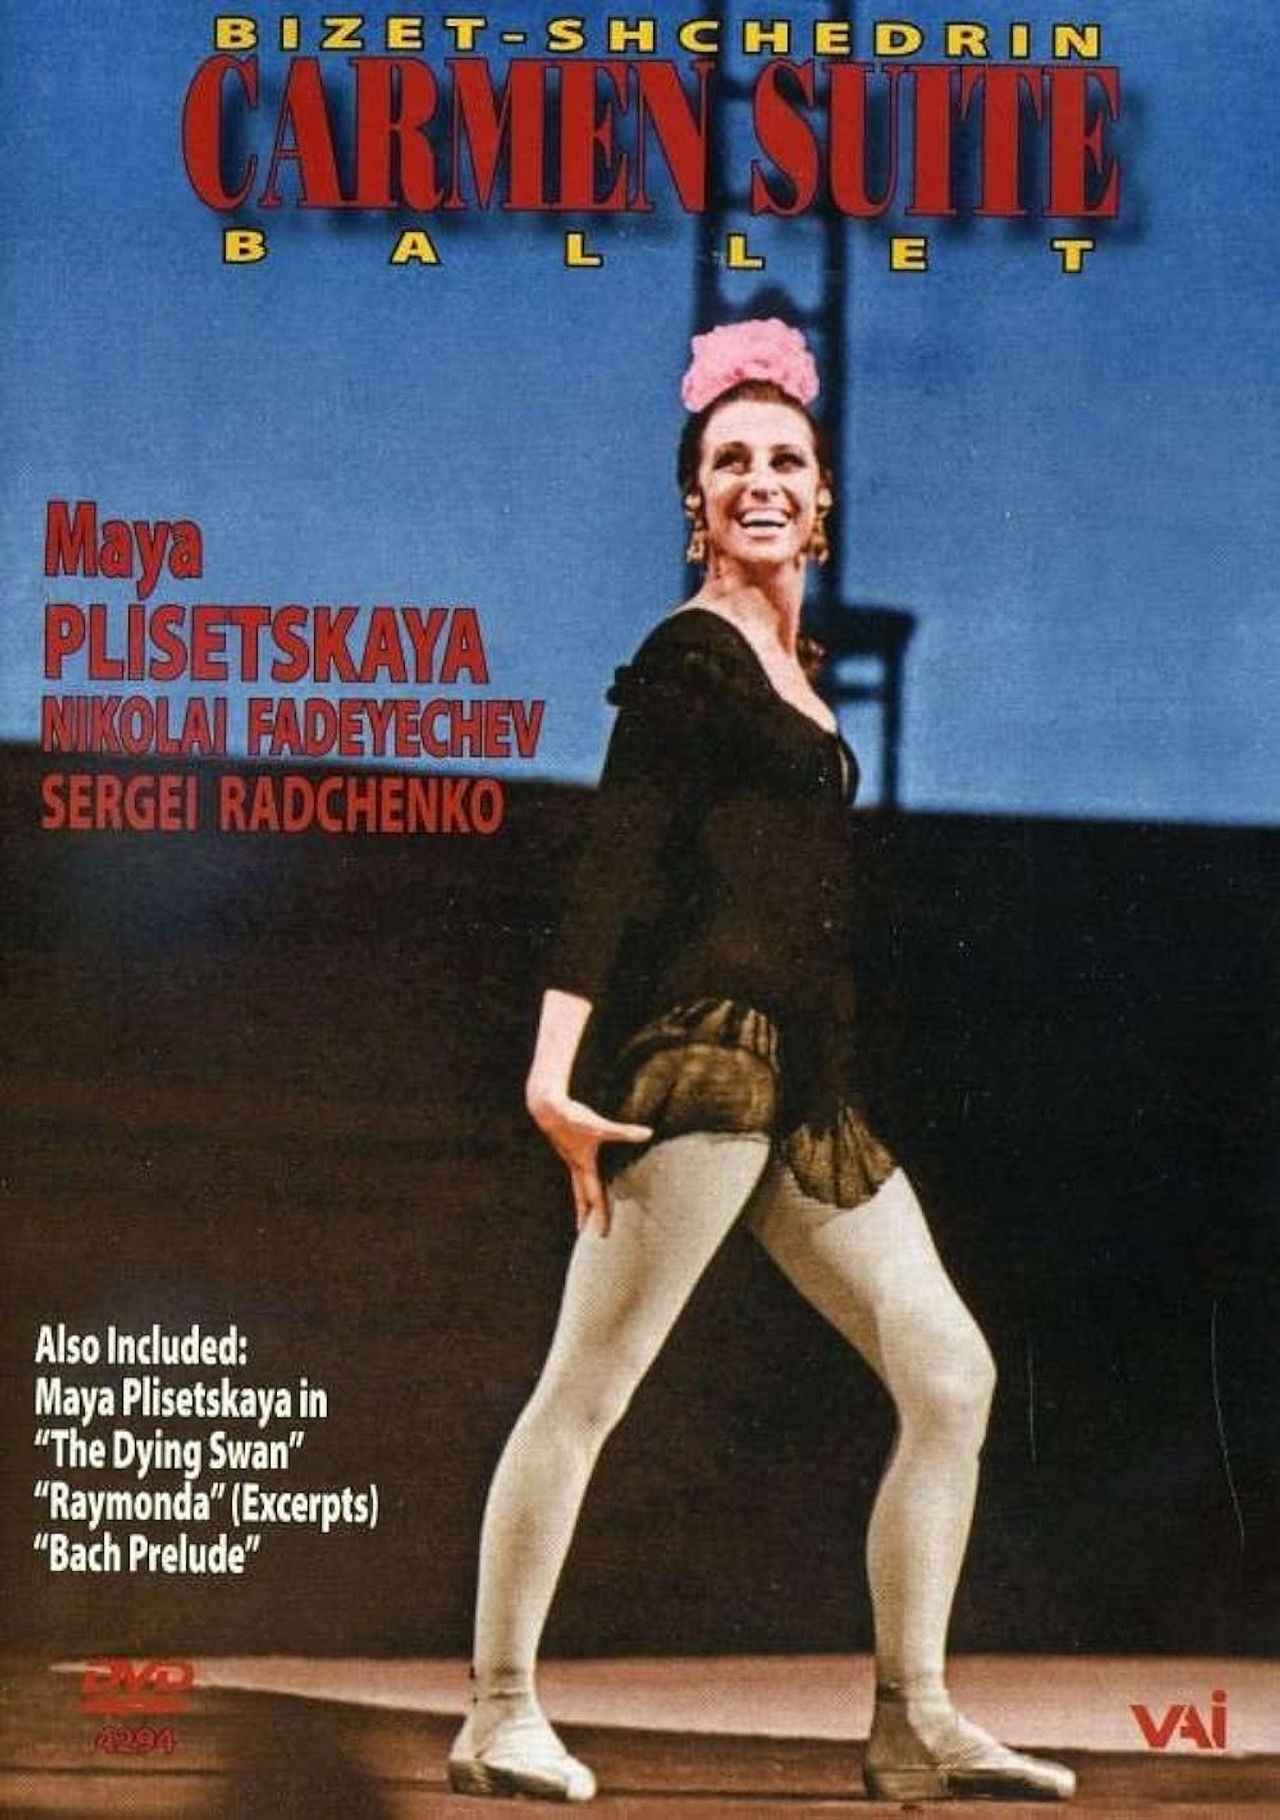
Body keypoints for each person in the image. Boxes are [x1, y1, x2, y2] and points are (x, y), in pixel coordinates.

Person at [448, 320, 1075, 1804]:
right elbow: (612, 866)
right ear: (696, 501)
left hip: (804, 1092)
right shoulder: (692, 658)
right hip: (707, 1067)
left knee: (951, 1375)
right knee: (587, 1390)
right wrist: (551, 1076)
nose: (761, 480)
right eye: (729, 461)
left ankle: (914, 1718)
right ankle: (496, 1711)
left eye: (785, 458)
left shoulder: (795, 671)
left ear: (824, 493)